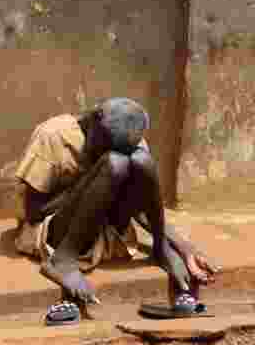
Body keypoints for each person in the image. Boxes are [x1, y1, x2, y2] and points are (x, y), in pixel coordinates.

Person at [12, 98, 220, 325]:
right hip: (55, 229)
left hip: (106, 226)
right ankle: (64, 260)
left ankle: (161, 249)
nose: (108, 150)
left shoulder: (130, 139)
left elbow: (141, 205)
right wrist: (90, 182)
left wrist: (183, 248)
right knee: (114, 164)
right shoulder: (53, 135)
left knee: (141, 160)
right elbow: (33, 212)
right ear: (93, 120)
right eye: (102, 144)